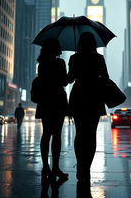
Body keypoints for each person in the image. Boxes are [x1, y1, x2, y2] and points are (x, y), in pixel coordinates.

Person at [67, 32, 109, 186]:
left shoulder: (74, 58)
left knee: (80, 133)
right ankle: (87, 169)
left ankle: (80, 166)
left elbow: (69, 79)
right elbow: (105, 77)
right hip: (94, 97)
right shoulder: (98, 58)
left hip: (78, 96)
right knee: (91, 134)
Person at [36, 38, 69, 181]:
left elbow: (43, 81)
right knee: (57, 135)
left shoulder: (41, 64)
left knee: (46, 133)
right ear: (54, 48)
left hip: (45, 101)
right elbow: (64, 81)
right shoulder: (60, 63)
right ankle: (55, 167)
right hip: (58, 101)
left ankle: (45, 167)